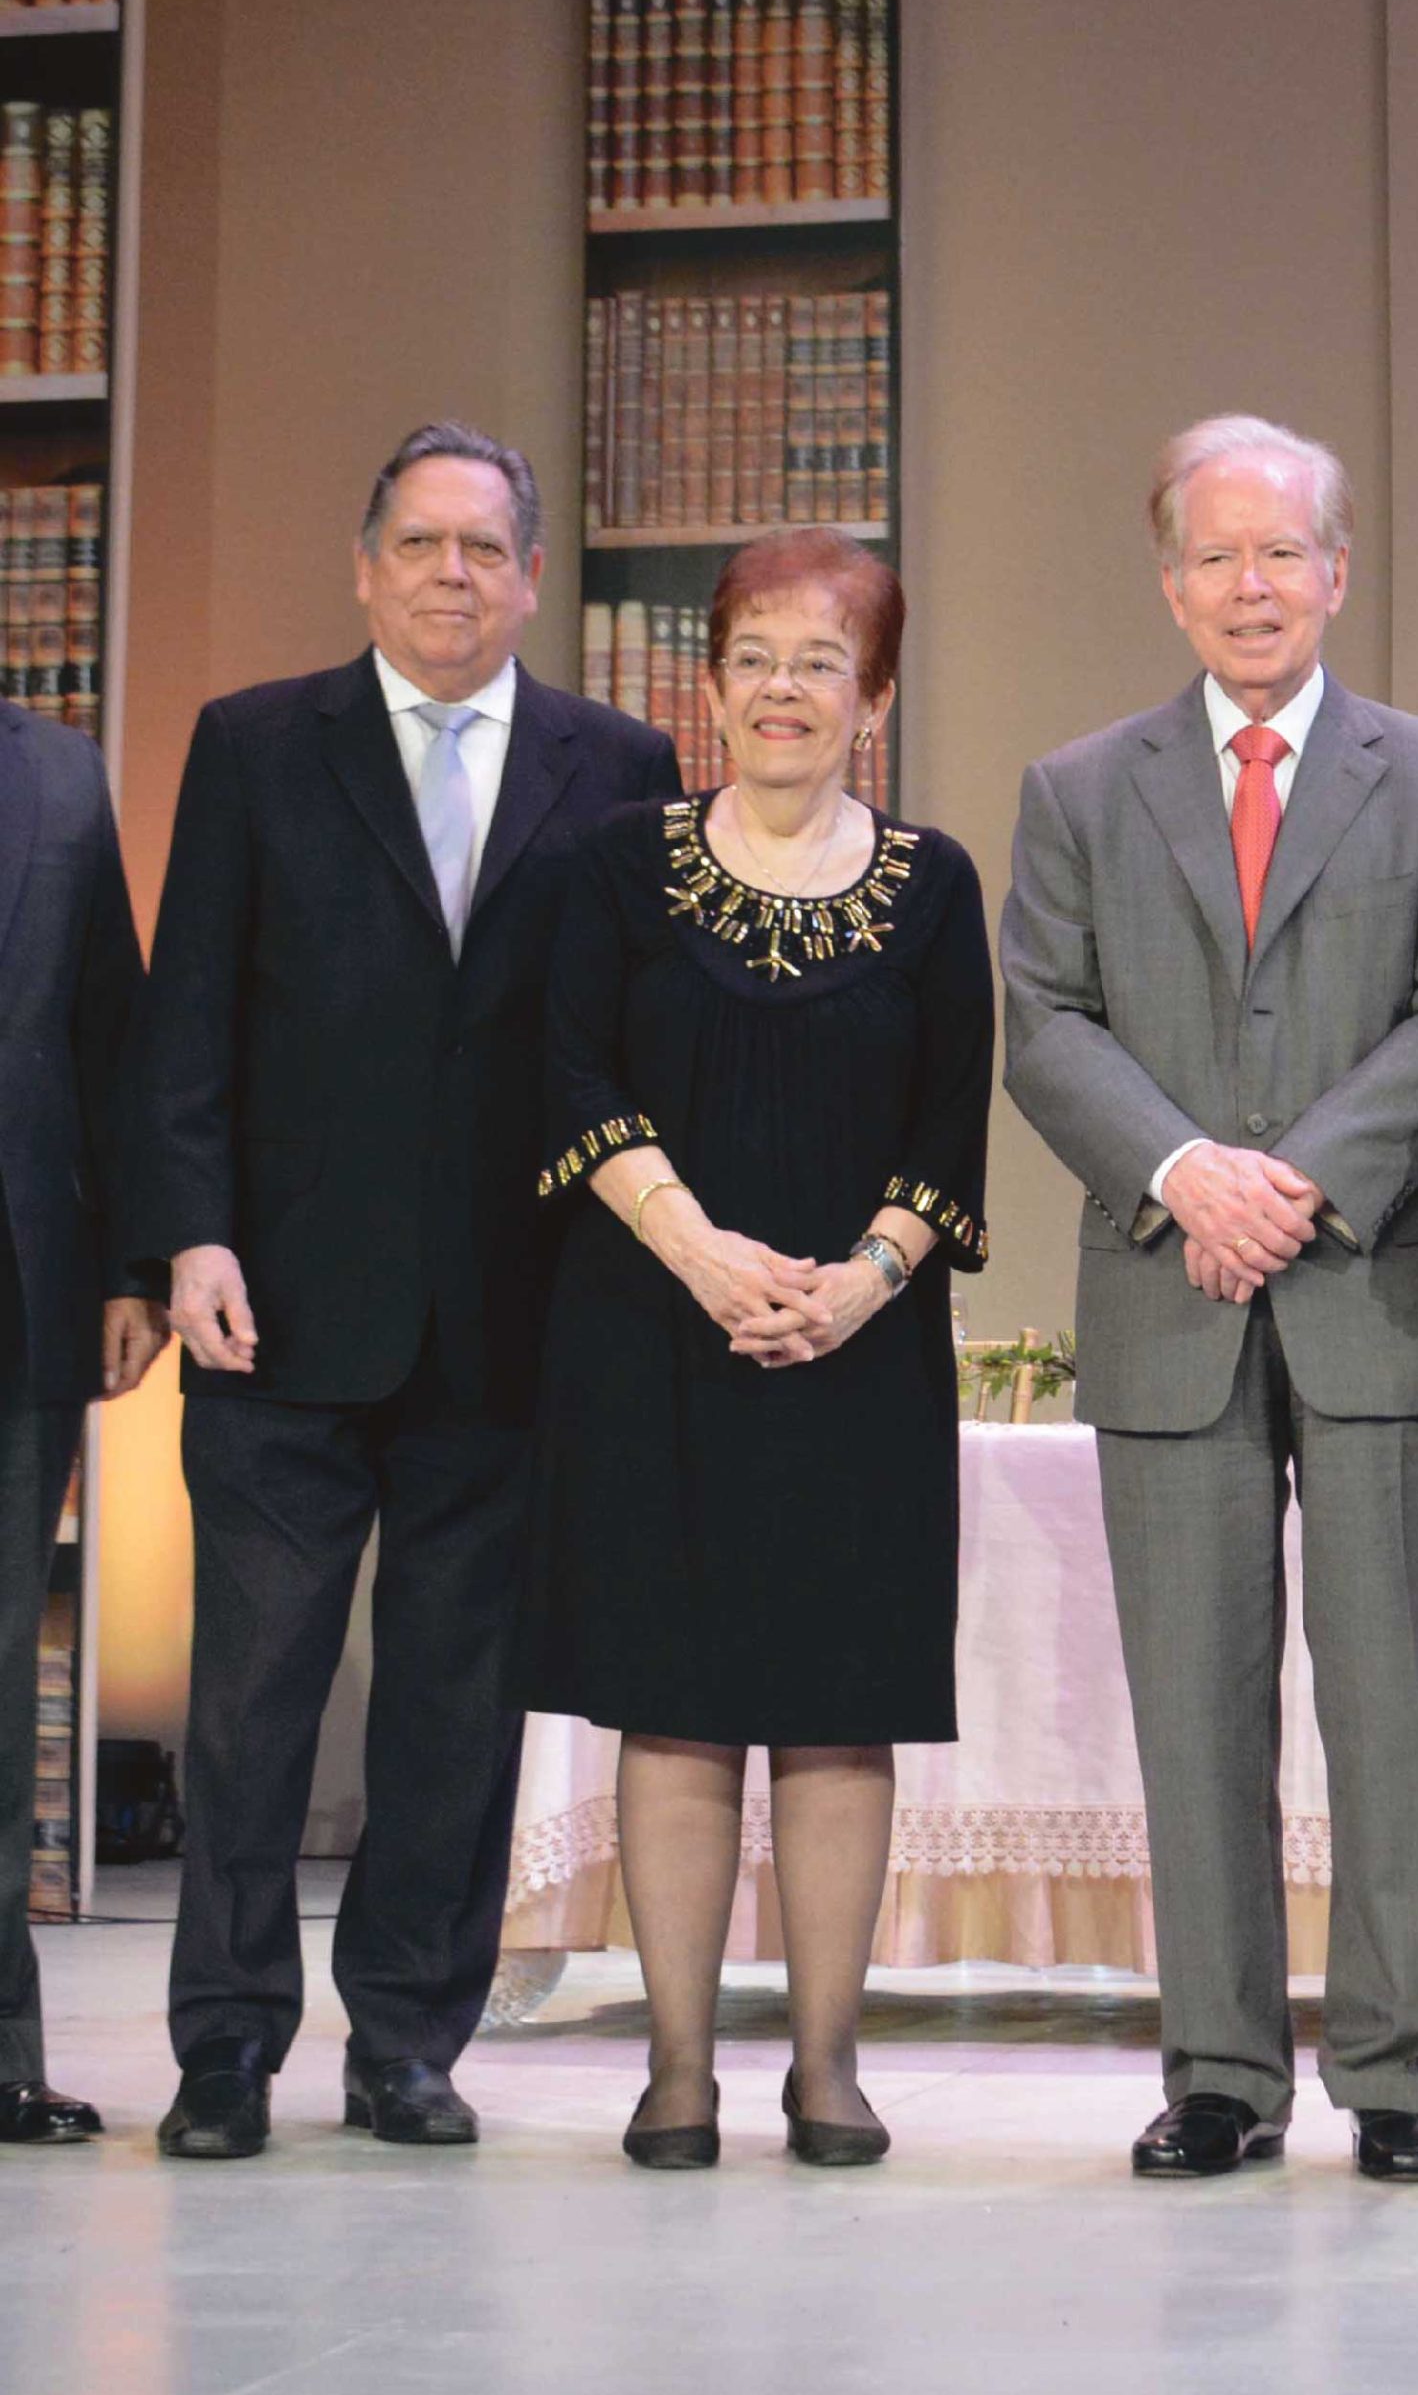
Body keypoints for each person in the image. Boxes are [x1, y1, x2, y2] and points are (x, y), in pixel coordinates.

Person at [132, 423, 682, 2159]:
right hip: (277, 1312)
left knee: (457, 1712)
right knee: (250, 1709)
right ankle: (226, 2047)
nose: (453, 574)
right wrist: (188, 1236)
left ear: (533, 579)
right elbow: (186, 1013)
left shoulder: (621, 764)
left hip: (512, 1321)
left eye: (484, 548)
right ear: (365, 567)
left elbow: (635, 1037)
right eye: (421, 544)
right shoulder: (253, 744)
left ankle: (407, 2042)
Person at [1001, 414, 1418, 2182]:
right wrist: (1182, 1175)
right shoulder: (1079, 790)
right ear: (1169, 584)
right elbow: (1044, 1022)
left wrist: (1286, 1183)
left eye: (1280, 551)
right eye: (1215, 555)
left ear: (1337, 572)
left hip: (1379, 1294)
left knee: (1387, 1711)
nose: (1250, 585)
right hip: (1172, 1297)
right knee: (1195, 1710)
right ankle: (1218, 2073)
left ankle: (1393, 2081)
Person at [515, 528, 990, 2170]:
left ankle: (829, 2067)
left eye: (821, 663)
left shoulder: (935, 883)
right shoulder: (615, 865)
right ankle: (675, 2069)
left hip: (860, 1352)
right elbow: (573, 1080)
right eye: (755, 660)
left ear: (875, 697)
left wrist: (860, 1282)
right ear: (709, 686)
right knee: (676, 1708)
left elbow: (950, 1127)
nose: (784, 690)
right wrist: (700, 1251)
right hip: (652, 1334)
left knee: (840, 1712)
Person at [0, 700, 166, 2144]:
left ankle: (0, 2052)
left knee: (0, 1686)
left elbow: (114, 1032)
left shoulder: (56, 770)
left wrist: (128, 1266)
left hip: (20, 1295)